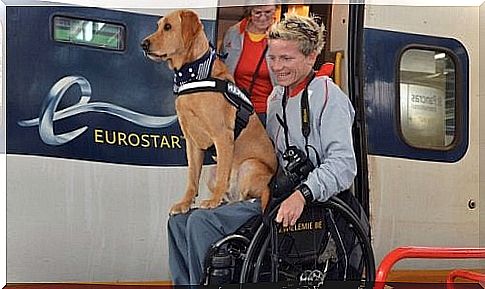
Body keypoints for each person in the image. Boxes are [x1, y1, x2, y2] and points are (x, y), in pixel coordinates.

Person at [167, 13, 357, 286]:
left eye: (287, 59)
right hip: (276, 193)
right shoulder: (277, 96)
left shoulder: (329, 98)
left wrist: (302, 194)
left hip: (311, 205)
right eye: (272, 57)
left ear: (311, 56)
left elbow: (343, 166)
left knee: (200, 223)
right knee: (178, 222)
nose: (277, 67)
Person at [221, 5, 277, 123]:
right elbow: (221, 68)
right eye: (257, 13)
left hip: (269, 111)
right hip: (236, 108)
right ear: (250, 13)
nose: (263, 18)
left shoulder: (281, 36)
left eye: (268, 12)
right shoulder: (233, 33)